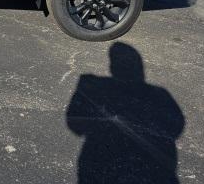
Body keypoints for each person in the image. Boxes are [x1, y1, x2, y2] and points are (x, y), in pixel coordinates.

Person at [66, 43, 185, 183]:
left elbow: (74, 123)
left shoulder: (92, 84)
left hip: (98, 159)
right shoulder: (160, 94)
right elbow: (176, 125)